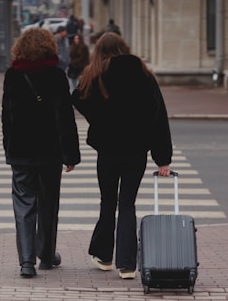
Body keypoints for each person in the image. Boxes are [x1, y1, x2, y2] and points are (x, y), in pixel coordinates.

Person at [71, 32, 173, 280]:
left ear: (99, 51)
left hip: (107, 151)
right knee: (127, 204)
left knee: (108, 202)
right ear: (124, 48)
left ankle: (104, 257)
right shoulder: (144, 75)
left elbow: (76, 98)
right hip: (136, 151)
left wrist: (99, 120)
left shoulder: (96, 76)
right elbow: (159, 116)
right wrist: (163, 158)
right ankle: (127, 265)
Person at [2, 27, 81, 278]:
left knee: (24, 205)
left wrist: (9, 148)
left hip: (22, 151)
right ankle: (46, 255)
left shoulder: (12, 75)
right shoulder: (57, 76)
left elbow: (7, 117)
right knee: (49, 203)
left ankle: (26, 263)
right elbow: (65, 118)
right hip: (50, 151)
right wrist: (71, 155)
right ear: (49, 47)